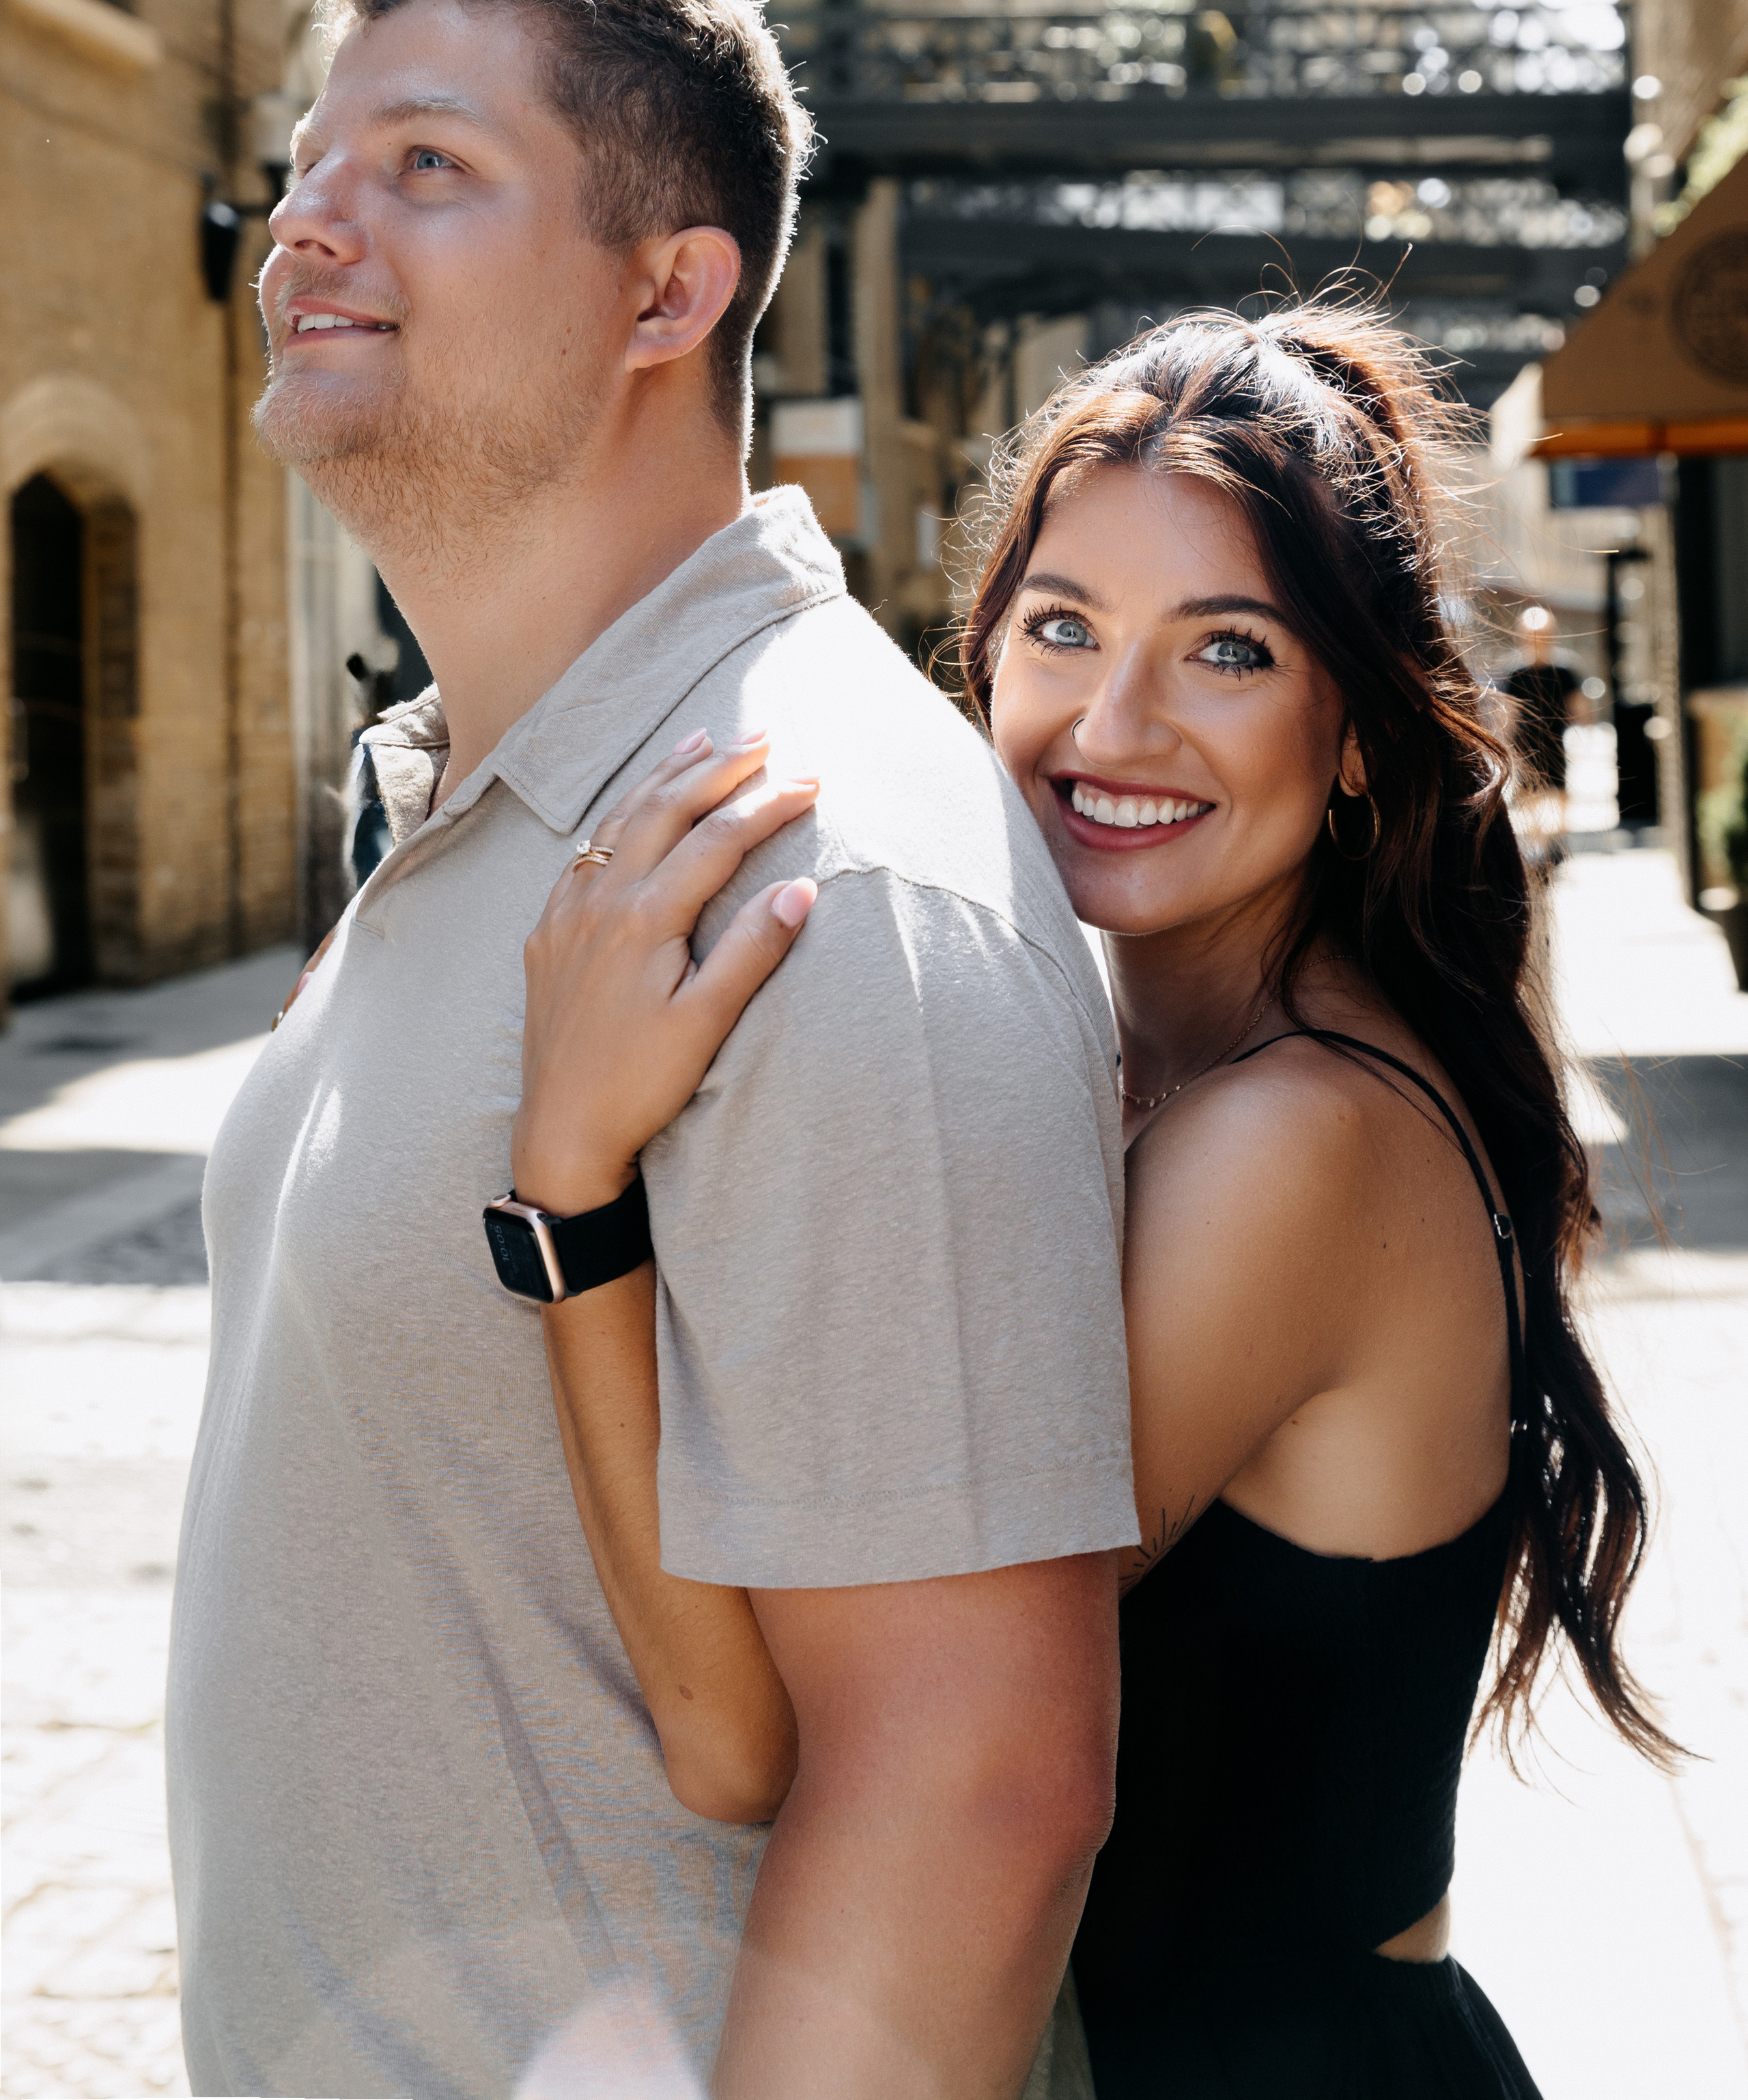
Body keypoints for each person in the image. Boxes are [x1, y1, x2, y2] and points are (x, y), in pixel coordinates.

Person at [165, 0, 1136, 2100]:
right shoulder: (466, 795)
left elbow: (976, 1787)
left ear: (669, 292)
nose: (309, 224)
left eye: (425, 164)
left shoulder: (820, 865)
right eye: (311, 163)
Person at [523, 309, 1674, 2097]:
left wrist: (573, 1197)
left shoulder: (1291, 1142)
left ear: (1359, 729)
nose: (1111, 723)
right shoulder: (1166, 1077)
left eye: (1226, 650)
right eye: (1063, 629)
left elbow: (747, 1729)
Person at [1500, 604, 1590, 863]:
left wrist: (1585, 736)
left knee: (1559, 793)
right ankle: (1538, 846)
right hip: (1524, 746)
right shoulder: (1514, 674)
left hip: (1554, 744)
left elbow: (1579, 709)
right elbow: (1508, 715)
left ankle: (1557, 847)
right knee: (1527, 798)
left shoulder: (1565, 671)